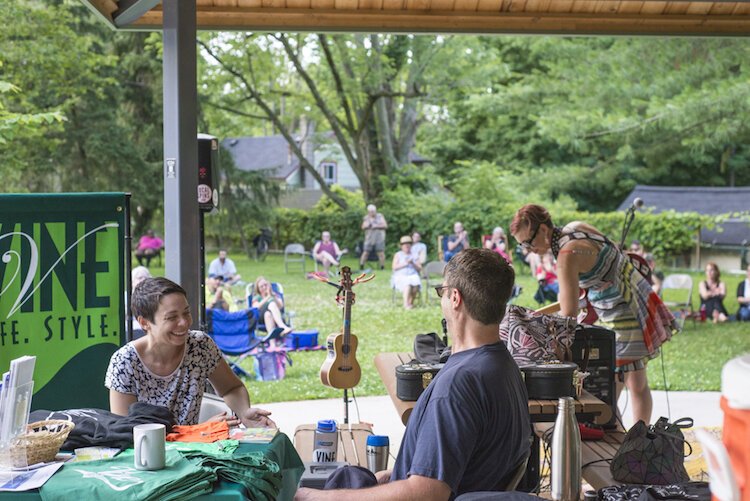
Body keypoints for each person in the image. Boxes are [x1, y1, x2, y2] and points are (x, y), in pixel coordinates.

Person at [295, 248, 530, 501]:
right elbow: (468, 464)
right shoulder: (504, 365)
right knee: (349, 477)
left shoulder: (457, 387)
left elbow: (427, 493)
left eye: (442, 291)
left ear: (454, 298)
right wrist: (392, 476)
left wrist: (313, 498)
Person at [510, 204, 679, 425]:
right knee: (633, 382)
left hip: (625, 312)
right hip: (634, 296)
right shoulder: (576, 227)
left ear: (542, 230)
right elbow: (610, 258)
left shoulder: (566, 255)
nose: (528, 250)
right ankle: (637, 439)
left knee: (616, 386)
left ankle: (631, 443)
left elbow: (568, 313)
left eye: (527, 242)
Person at [105, 277, 275, 427]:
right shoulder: (125, 361)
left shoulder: (200, 345)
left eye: (186, 313)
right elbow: (127, 434)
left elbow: (231, 388)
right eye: (171, 318)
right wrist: (199, 432)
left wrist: (244, 413)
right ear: (144, 323)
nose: (184, 323)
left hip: (193, 455)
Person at [391, 236, 422, 309]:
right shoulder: (398, 254)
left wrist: (413, 263)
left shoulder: (415, 255)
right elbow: (394, 267)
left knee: (416, 285)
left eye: (408, 244)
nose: (407, 246)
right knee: (407, 284)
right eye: (404, 244)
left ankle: (410, 302)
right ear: (401, 246)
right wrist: (405, 263)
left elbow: (419, 268)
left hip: (413, 274)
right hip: (401, 275)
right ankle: (406, 304)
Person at [360, 204, 388, 270]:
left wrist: (376, 226)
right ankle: (361, 266)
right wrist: (368, 225)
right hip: (369, 238)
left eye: (374, 211)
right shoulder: (366, 218)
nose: (373, 213)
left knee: (381, 253)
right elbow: (363, 226)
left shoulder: (380, 216)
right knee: (365, 252)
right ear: (368, 212)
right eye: (371, 211)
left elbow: (385, 225)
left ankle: (382, 267)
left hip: (379, 238)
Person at [129, 266, 152, 340]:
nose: (143, 280)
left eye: (146, 277)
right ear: (132, 282)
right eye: (139, 277)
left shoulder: (155, 298)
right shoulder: (126, 297)